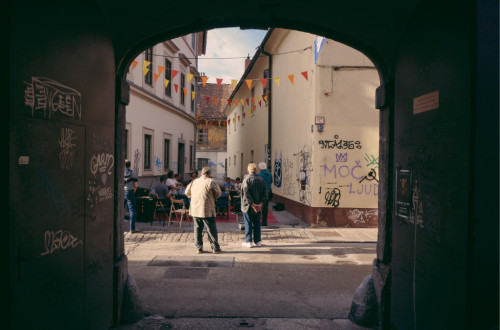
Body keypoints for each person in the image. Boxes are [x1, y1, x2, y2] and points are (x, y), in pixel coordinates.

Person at [185, 167, 222, 254]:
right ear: (209, 174)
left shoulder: (194, 181)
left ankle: (199, 248)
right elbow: (218, 194)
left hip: (195, 209)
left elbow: (187, 193)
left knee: (197, 229)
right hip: (207, 209)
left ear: (201, 173)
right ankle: (215, 248)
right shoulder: (211, 181)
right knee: (211, 229)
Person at [240, 163, 268, 247]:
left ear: (248, 170)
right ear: (256, 170)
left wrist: (252, 203)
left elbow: (246, 193)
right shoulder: (261, 179)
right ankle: (257, 240)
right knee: (257, 223)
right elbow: (265, 193)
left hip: (248, 205)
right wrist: (260, 203)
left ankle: (248, 241)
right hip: (258, 204)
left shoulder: (246, 179)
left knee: (248, 222)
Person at [124, 159, 140, 233]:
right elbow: (135, 186)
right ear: (130, 165)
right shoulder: (133, 173)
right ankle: (132, 228)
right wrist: (133, 192)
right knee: (132, 210)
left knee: (119, 210)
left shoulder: (121, 172)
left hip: (122, 192)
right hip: (130, 191)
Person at [258, 162, 273, 226]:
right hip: (269, 191)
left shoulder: (260, 174)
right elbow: (271, 181)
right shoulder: (269, 174)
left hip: (262, 192)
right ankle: (264, 221)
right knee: (265, 207)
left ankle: (261, 221)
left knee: (260, 206)